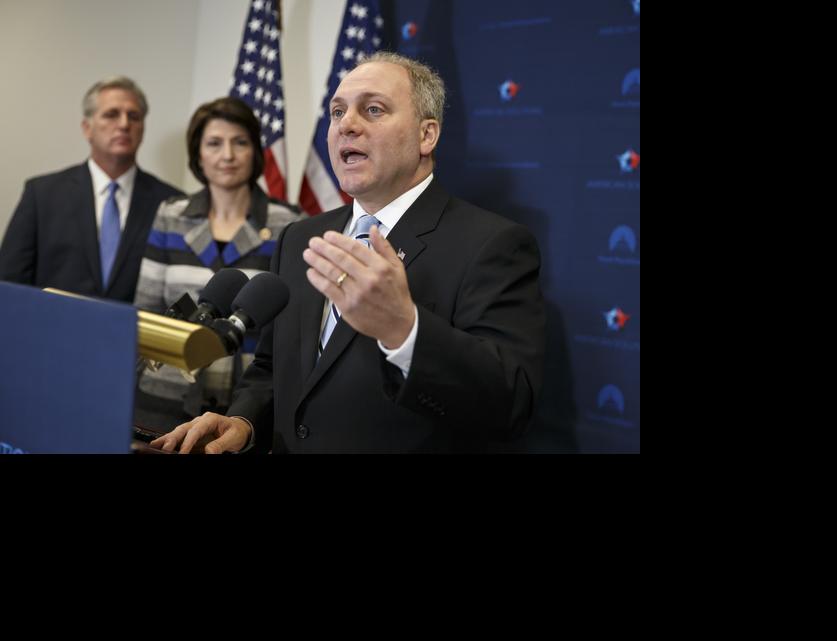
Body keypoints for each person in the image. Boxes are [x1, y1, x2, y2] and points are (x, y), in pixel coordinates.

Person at [153, 52, 545, 453]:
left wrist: (404, 331)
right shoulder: (300, 238)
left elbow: (510, 404)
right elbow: (273, 370)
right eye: (337, 112)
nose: (347, 125)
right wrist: (243, 421)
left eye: (373, 110)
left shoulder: (491, 245)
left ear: (427, 136)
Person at [132, 97, 303, 431]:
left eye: (240, 142)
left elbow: (289, 331)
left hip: (242, 411)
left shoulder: (290, 224)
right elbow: (146, 310)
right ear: (198, 154)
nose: (227, 155)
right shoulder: (171, 215)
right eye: (214, 143)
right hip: (162, 400)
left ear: (255, 151)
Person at [0, 76, 183, 303]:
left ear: (143, 128)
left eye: (134, 116)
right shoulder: (42, 195)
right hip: (53, 333)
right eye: (111, 114)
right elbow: (9, 282)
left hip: (134, 336)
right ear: (87, 128)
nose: (124, 124)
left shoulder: (170, 203)